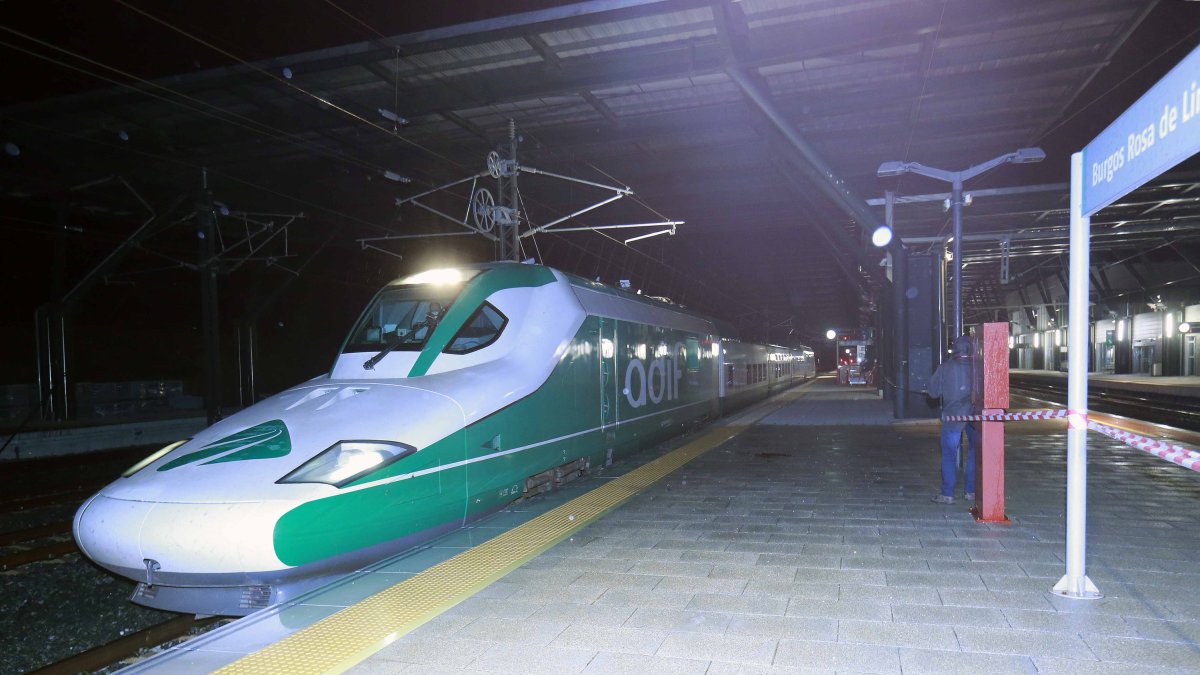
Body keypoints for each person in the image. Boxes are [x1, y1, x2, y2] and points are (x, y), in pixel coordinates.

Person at [927, 334, 981, 504]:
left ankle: (948, 493)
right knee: (974, 451)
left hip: (953, 416)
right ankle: (971, 491)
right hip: (974, 415)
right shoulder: (979, 368)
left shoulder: (945, 368)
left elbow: (933, 392)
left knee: (949, 453)